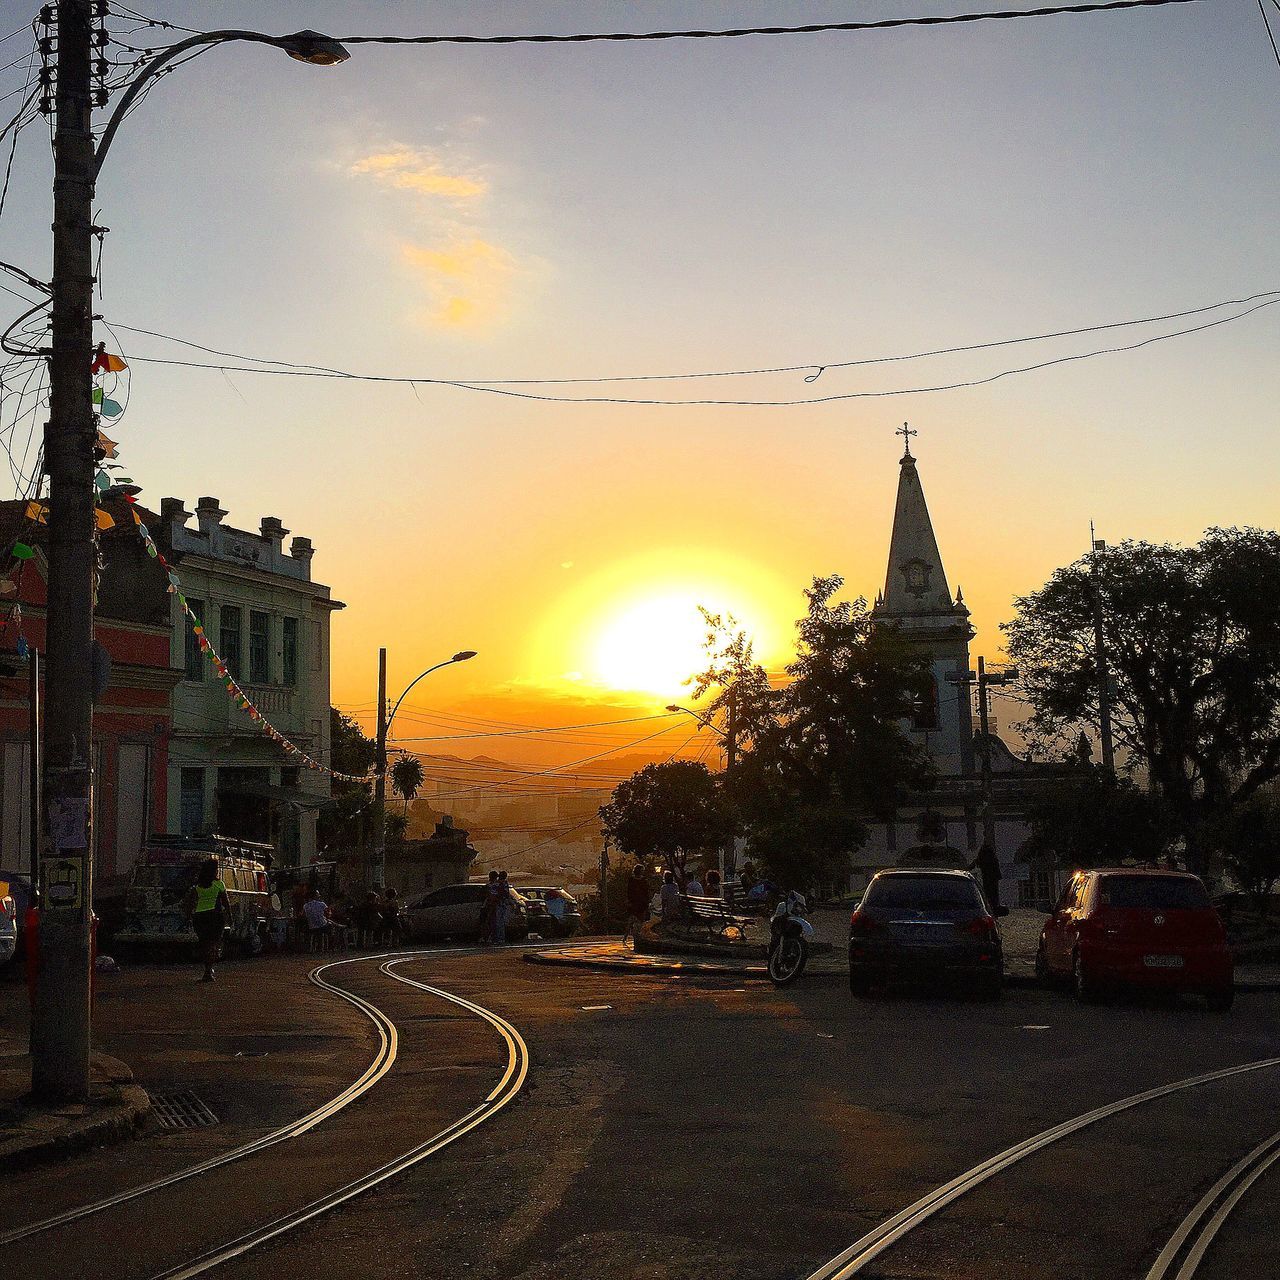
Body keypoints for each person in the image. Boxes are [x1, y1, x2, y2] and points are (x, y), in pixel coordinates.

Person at [184, 857, 229, 983]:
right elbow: (226, 903)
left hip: (200, 917)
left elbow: (191, 903)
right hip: (215, 916)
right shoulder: (219, 884)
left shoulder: (198, 886)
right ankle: (209, 971)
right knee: (213, 944)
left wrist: (188, 916)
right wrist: (229, 917)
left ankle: (207, 971)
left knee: (204, 944)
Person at [970, 843, 1002, 913]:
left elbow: (973, 865)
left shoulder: (982, 858)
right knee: (993, 895)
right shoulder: (993, 858)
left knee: (987, 894)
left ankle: (989, 908)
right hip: (992, 879)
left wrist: (964, 870)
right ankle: (994, 908)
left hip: (987, 879)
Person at [624, 863, 651, 946]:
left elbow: (629, 891)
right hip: (640, 902)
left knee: (631, 920)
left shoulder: (632, 880)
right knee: (639, 920)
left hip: (636, 902)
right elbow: (646, 892)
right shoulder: (643, 880)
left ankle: (626, 936)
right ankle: (638, 936)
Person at [479, 870, 500, 944]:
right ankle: (489, 937)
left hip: (487, 906)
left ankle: (485, 937)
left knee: (486, 922)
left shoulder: (488, 886)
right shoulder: (496, 886)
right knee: (491, 922)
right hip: (491, 906)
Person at [494, 870, 513, 944]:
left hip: (500, 904)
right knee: (500, 922)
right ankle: (500, 938)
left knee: (500, 922)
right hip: (500, 904)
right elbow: (506, 894)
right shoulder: (501, 884)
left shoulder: (500, 884)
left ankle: (500, 938)